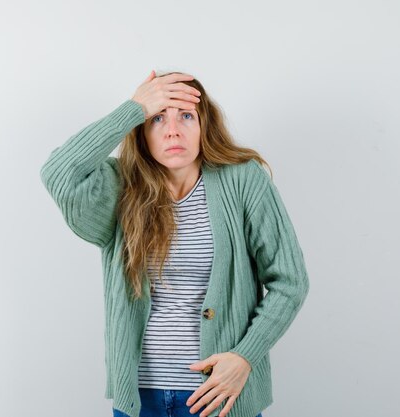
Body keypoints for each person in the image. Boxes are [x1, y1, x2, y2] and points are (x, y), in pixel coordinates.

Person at [39, 70, 310, 417]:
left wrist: (244, 357)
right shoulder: (120, 187)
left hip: (220, 395)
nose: (172, 130)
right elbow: (59, 173)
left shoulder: (243, 179)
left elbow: (290, 282)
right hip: (140, 398)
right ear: (141, 131)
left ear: (204, 125)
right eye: (156, 118)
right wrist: (133, 107)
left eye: (185, 115)